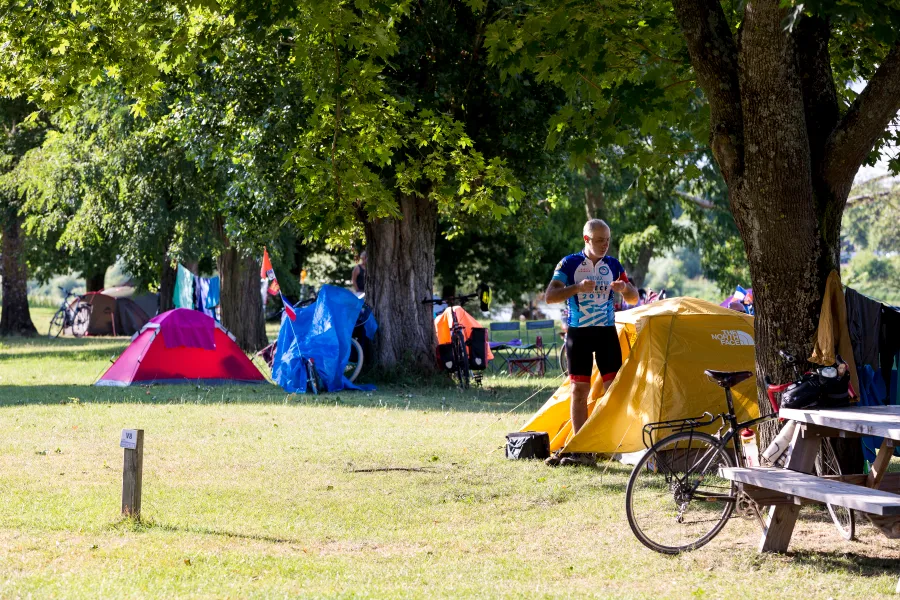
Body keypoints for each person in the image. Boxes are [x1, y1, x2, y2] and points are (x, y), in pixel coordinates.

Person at [544, 219, 639, 466]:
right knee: (579, 391)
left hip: (607, 332)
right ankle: (582, 448)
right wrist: (576, 288)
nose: (605, 244)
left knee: (613, 391)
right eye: (599, 240)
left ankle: (612, 442)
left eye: (608, 239)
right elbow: (550, 297)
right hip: (580, 333)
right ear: (586, 239)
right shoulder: (569, 263)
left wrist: (624, 289)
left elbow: (634, 297)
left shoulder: (613, 264)